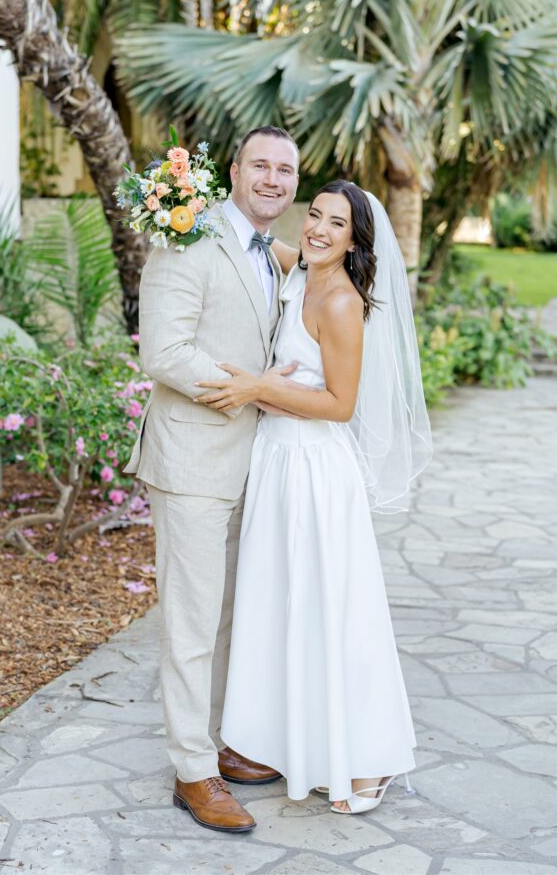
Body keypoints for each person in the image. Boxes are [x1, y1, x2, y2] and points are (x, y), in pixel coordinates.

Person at [195, 179, 433, 813]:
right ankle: (287, 740)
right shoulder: (294, 267)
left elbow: (339, 405)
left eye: (337, 223)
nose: (320, 230)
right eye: (316, 216)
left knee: (331, 611)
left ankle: (366, 757)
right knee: (280, 607)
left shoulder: (341, 302)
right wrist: (177, 203)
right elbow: (239, 241)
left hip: (315, 470)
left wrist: (252, 390)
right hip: (274, 461)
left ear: (356, 238)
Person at [124, 126, 299, 832]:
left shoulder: (276, 255)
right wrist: (257, 390)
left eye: (284, 170)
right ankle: (192, 771)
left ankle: (224, 744)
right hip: (193, 459)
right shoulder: (185, 240)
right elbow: (163, 350)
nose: (272, 179)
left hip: (253, 463)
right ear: (232, 171)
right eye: (260, 165)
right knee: (192, 623)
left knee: (232, 615)